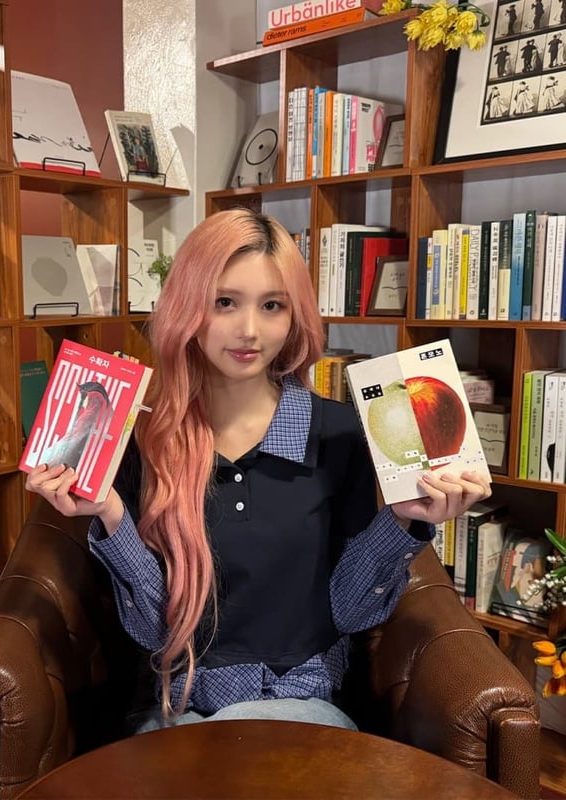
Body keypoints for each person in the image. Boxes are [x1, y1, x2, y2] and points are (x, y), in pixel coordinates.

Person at [25, 208, 491, 732]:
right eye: (224, 302)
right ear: (187, 307)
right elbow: (156, 631)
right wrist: (111, 515)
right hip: (178, 709)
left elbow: (350, 613)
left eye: (272, 305)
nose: (249, 330)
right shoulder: (143, 441)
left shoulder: (339, 435)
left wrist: (402, 520)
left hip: (300, 707)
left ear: (294, 317)